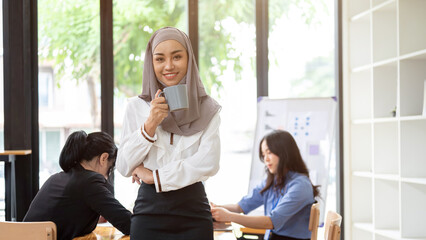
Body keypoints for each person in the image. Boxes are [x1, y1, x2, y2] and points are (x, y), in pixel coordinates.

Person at [116, 26, 221, 240]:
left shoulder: (208, 109)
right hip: (149, 213)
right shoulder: (136, 107)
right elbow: (124, 166)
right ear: (151, 62)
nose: (169, 66)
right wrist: (150, 124)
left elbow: (208, 163)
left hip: (193, 212)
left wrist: (153, 176)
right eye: (160, 59)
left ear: (189, 59)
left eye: (177, 57)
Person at [211, 130, 319, 240]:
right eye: (263, 154)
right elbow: (239, 207)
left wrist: (229, 217)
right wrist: (212, 208)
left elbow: (271, 222)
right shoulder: (273, 181)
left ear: (284, 152)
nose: (266, 159)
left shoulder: (300, 185)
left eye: (269, 152)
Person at [24, 131, 131, 240]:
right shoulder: (89, 182)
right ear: (103, 158)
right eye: (110, 168)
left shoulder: (56, 178)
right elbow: (129, 224)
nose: (107, 177)